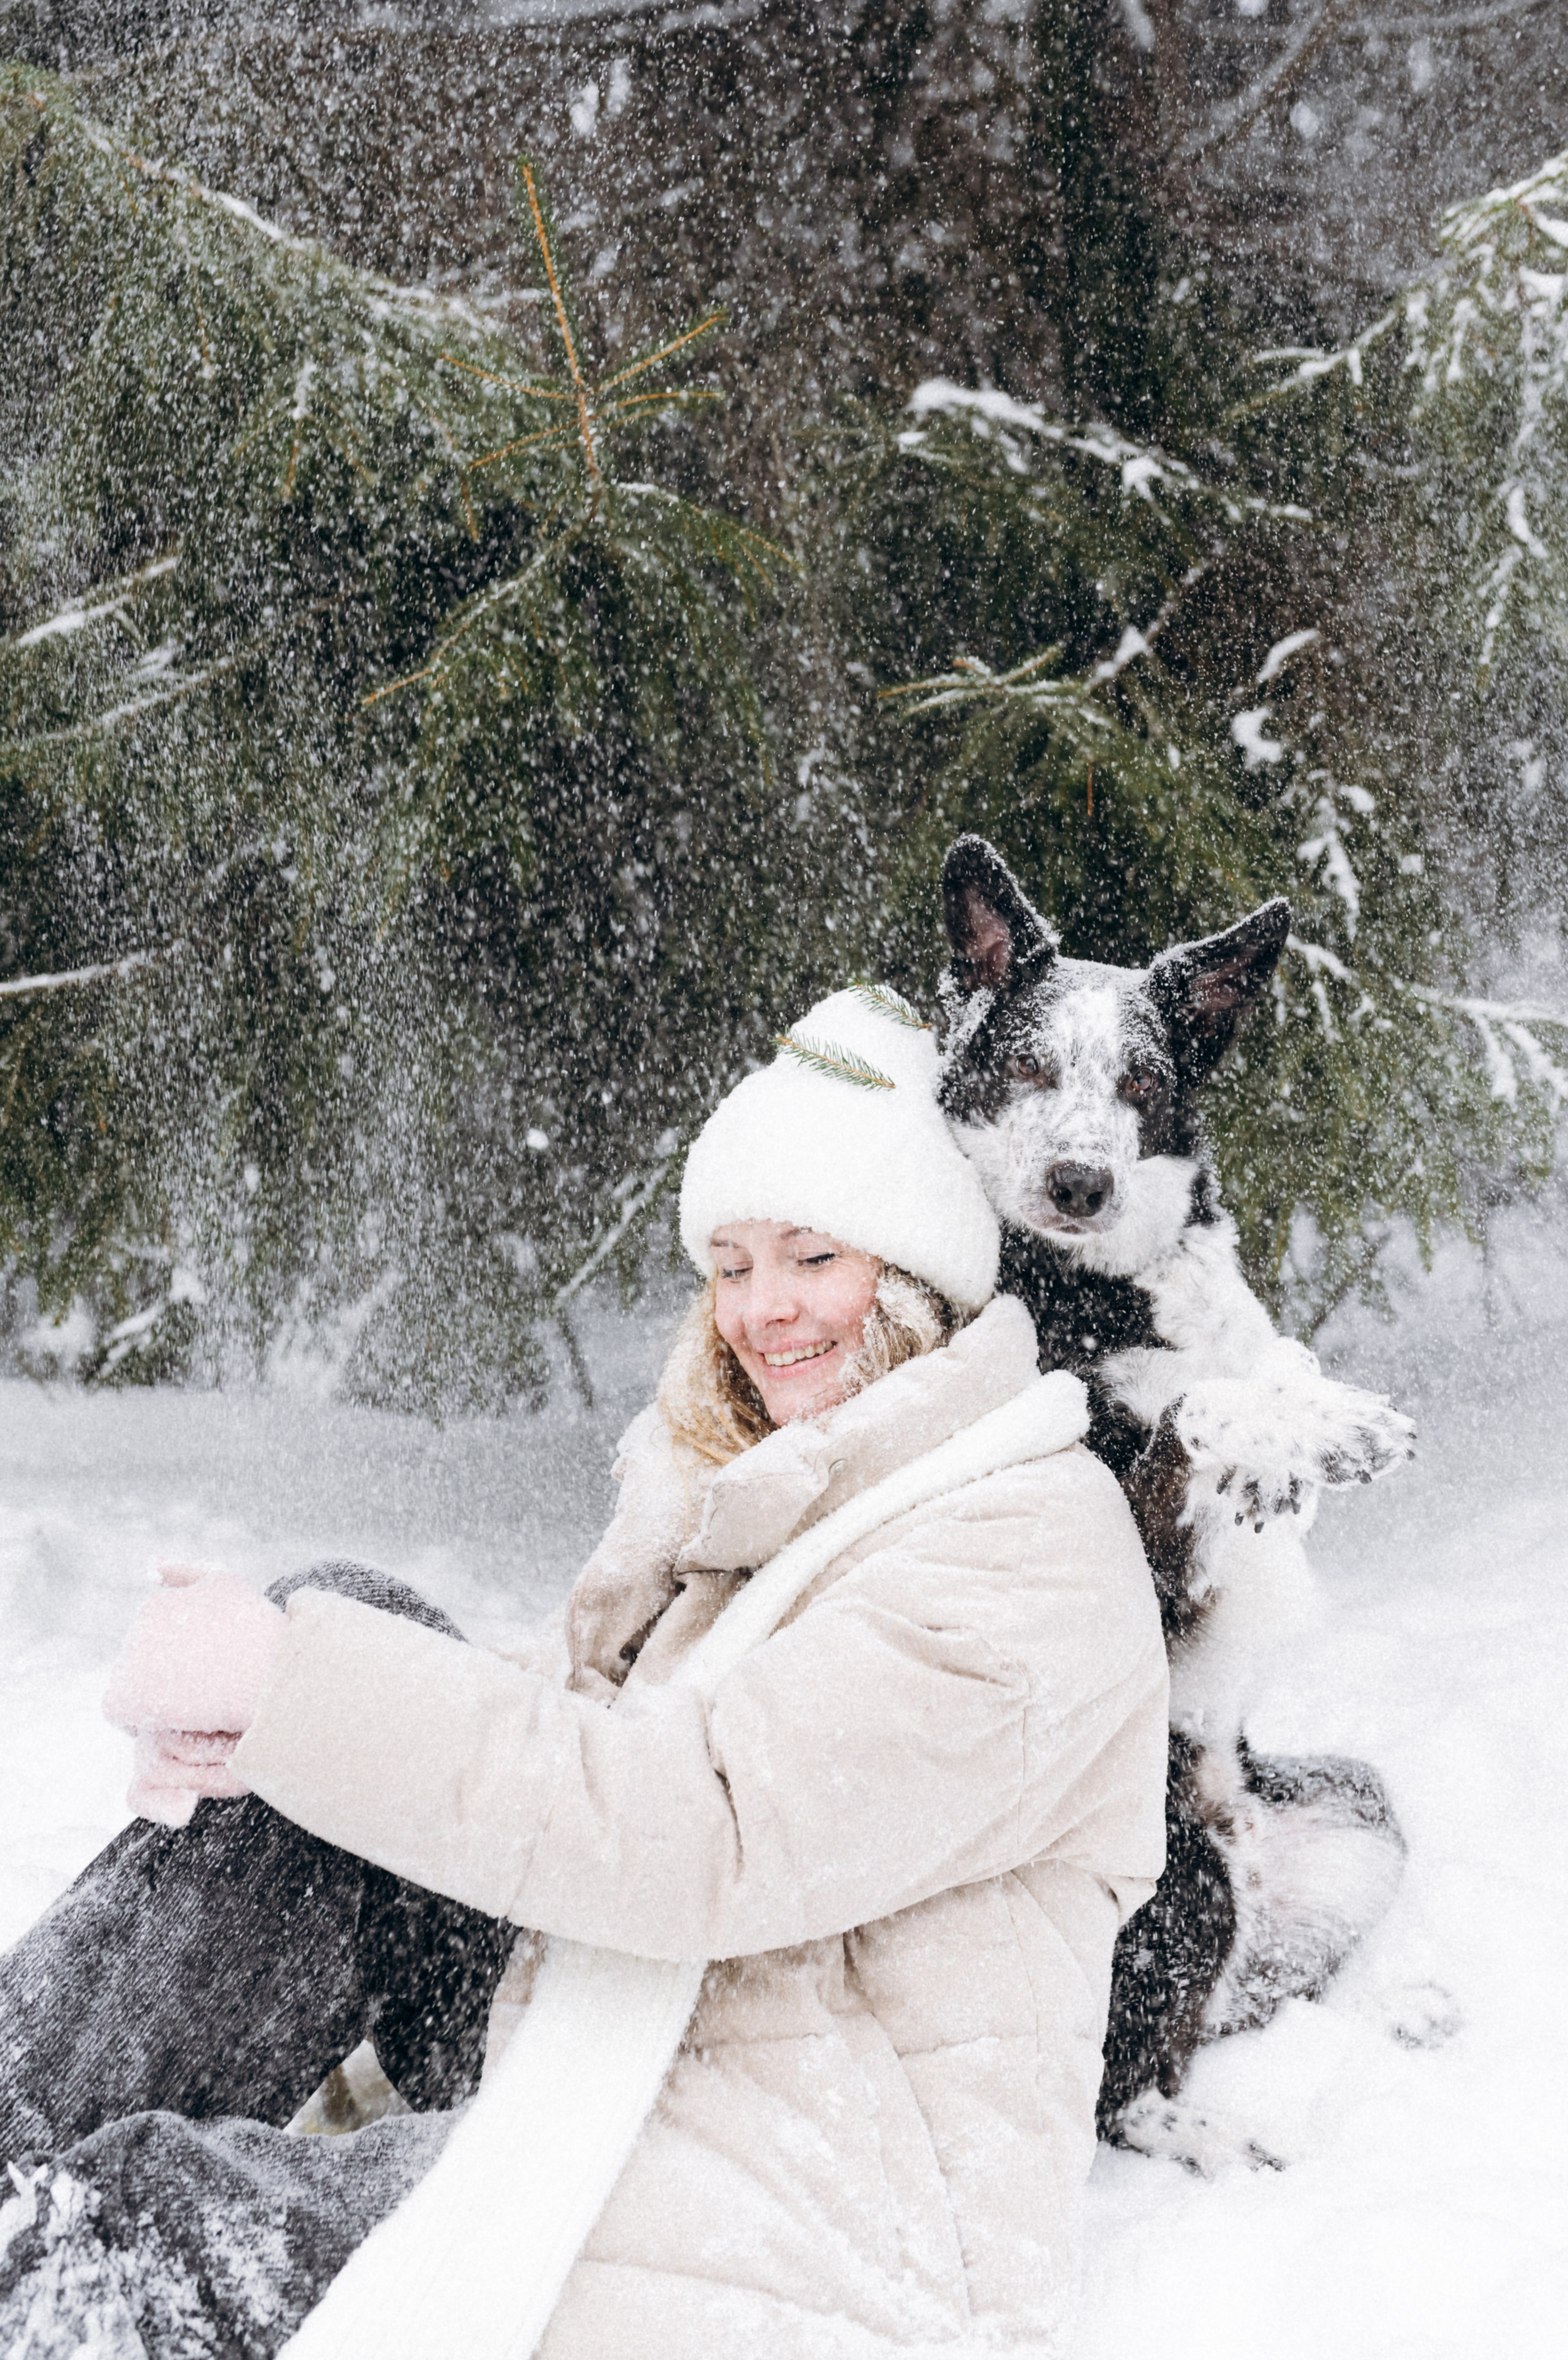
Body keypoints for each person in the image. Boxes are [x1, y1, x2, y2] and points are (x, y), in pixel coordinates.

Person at [0, 987, 1168, 2360]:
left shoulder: (1024, 1546)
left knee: (132, 2223)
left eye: (811, 1256)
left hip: (785, 2198)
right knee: (343, 1623)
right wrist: (272, 1706)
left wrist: (298, 1692)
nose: (762, 1309)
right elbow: (585, 1741)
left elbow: (695, 1827)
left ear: (916, 1274)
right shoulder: (799, 1495)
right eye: (729, 1265)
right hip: (615, 2036)